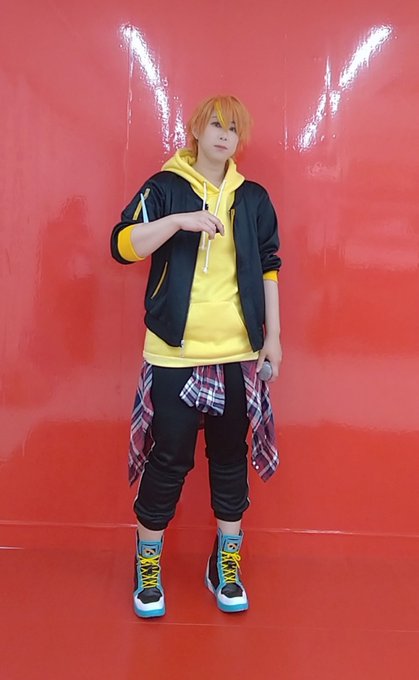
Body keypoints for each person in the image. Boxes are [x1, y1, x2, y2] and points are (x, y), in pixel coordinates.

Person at [110, 95, 282, 619]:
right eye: (216, 125)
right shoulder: (163, 187)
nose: (225, 135)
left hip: (237, 351)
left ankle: (224, 564)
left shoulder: (253, 198)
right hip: (174, 353)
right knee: (168, 460)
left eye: (234, 128)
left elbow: (270, 266)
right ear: (196, 130)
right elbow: (123, 245)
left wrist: (273, 336)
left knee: (230, 459)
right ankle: (148, 563)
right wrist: (180, 220)